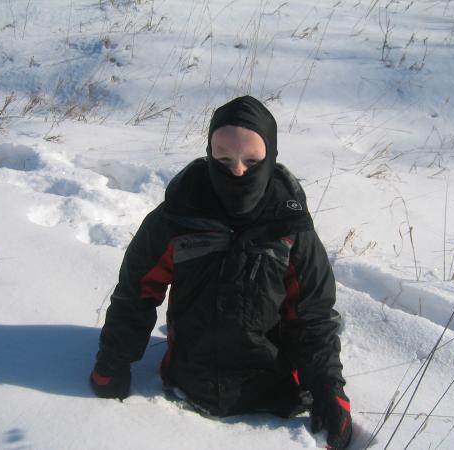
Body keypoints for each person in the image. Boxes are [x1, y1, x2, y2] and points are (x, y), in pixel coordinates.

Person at [90, 96, 352, 449]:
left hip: (276, 401)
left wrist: (328, 392)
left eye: (252, 161)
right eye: (224, 159)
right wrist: (113, 361)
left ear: (270, 157)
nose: (238, 171)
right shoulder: (177, 217)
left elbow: (313, 318)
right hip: (186, 388)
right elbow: (136, 294)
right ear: (209, 155)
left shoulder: (291, 229)